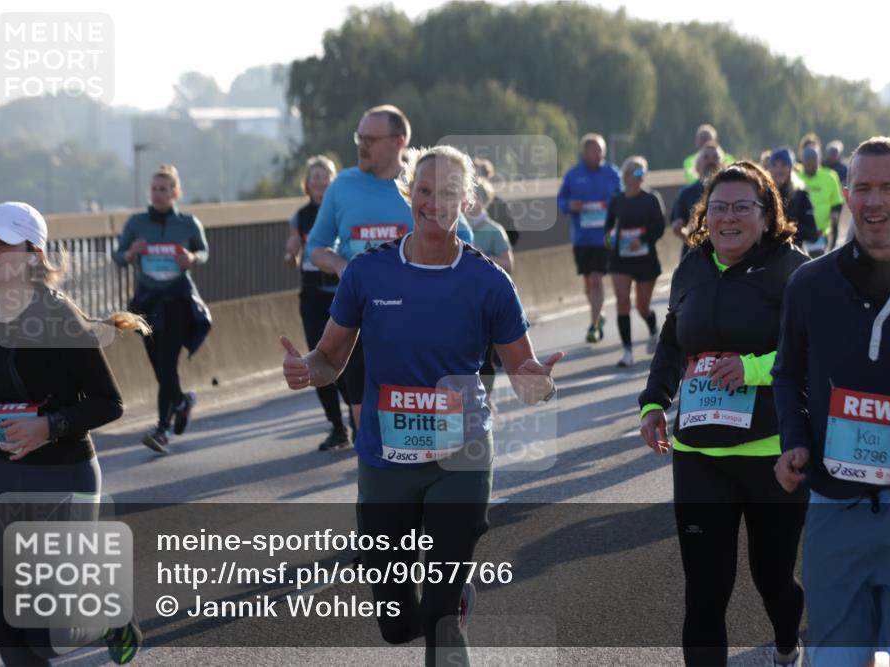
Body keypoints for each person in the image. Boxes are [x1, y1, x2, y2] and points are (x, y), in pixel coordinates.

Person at [282, 145, 561, 667]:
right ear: (409, 193)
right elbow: (330, 358)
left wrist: (539, 383)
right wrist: (308, 370)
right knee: (395, 623)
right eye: (425, 191)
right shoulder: (368, 273)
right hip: (386, 459)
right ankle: (450, 599)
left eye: (449, 192)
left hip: (462, 456)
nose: (435, 202)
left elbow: (527, 378)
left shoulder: (489, 282)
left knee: (436, 611)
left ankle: (448, 605)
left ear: (466, 200)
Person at [773, 136, 890, 667]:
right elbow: (787, 377)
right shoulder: (809, 285)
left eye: (888, 188)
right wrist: (793, 441)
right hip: (836, 505)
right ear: (848, 195)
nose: (874, 201)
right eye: (862, 188)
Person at [638, 162, 809, 667]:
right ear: (704, 214)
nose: (728, 218)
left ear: (766, 215)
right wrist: (653, 403)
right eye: (718, 208)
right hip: (698, 455)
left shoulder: (793, 270)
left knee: (772, 577)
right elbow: (672, 343)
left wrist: (752, 369)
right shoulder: (691, 265)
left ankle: (785, 643)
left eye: (741, 207)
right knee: (705, 589)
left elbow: (813, 351)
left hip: (770, 452)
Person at [0, 202, 146, 665]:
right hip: (0, 479)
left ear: (32, 253)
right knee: (9, 635)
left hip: (64, 476)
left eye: (0, 243)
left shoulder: (58, 317)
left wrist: (49, 425)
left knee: (45, 633)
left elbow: (110, 402)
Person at [306, 105, 474, 439]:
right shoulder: (342, 187)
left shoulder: (422, 187)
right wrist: (341, 265)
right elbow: (316, 247)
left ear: (399, 141)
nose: (361, 145)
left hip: (421, 323)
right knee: (367, 429)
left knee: (425, 429)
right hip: (363, 319)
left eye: (370, 138)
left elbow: (464, 242)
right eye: (359, 137)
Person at [112, 164, 211, 454]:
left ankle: (162, 429)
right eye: (154, 189)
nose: (158, 194)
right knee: (158, 364)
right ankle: (181, 402)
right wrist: (131, 253)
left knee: (167, 363)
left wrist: (191, 257)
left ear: (175, 193)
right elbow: (118, 256)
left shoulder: (188, 223)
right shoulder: (136, 224)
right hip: (147, 302)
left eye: (164, 189)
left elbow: (203, 252)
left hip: (178, 300)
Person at [286, 155, 355, 451]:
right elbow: (295, 250)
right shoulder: (300, 216)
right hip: (313, 295)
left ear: (334, 180)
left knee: (346, 362)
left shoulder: (345, 211)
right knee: (316, 359)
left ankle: (356, 417)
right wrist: (291, 253)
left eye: (325, 175)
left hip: (341, 294)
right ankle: (337, 427)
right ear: (307, 183)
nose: (319, 181)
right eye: (314, 176)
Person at [557, 133, 621, 343]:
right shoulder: (573, 175)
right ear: (585, 152)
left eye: (601, 149)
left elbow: (623, 197)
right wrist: (570, 205)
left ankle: (594, 326)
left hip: (604, 237)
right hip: (582, 237)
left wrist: (615, 209)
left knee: (596, 279)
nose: (599, 153)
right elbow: (561, 199)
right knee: (588, 280)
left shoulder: (612, 173)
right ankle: (598, 313)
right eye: (594, 150)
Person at [603, 156, 664, 367]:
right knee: (622, 302)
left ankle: (654, 329)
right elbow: (609, 227)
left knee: (642, 306)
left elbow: (659, 226)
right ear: (626, 176)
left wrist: (643, 238)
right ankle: (627, 351)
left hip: (645, 258)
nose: (640, 178)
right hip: (621, 258)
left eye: (642, 174)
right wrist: (609, 239)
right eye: (636, 174)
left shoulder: (651, 199)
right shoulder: (617, 200)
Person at [467, 178, 514, 397]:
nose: (470, 202)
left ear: (485, 202)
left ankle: (485, 400)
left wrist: (482, 256)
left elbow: (508, 264)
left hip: (486, 301)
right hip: (459, 300)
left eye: (476, 198)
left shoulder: (494, 230)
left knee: (485, 357)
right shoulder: (455, 226)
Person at [670, 142, 723, 256]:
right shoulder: (686, 193)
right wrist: (683, 233)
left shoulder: (731, 191)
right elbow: (677, 226)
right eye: (706, 157)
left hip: (725, 256)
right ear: (697, 165)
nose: (711, 161)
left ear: (722, 164)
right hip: (694, 256)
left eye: (715, 157)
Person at [767, 147, 821, 246]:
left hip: (792, 255)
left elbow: (812, 234)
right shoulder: (761, 194)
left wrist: (787, 227)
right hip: (766, 256)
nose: (779, 169)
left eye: (783, 165)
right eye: (774, 165)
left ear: (791, 168)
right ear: (768, 168)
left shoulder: (800, 195)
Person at [797, 145, 843, 256]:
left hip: (821, 233)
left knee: (816, 266)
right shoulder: (796, 178)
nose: (811, 167)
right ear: (803, 163)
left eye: (814, 163)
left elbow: (837, 201)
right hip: (800, 233)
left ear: (819, 160)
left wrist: (835, 213)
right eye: (807, 164)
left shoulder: (830, 176)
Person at [473, 157, 520, 247]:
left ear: (488, 178)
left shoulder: (499, 204)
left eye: (478, 175)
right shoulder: (462, 204)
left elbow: (513, 236)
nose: (475, 180)